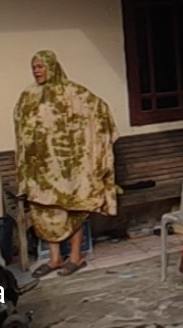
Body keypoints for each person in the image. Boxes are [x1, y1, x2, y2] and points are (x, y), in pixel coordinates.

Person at [14, 50, 118, 277]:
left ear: (52, 66)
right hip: (41, 168)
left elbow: (99, 110)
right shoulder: (28, 96)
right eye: (34, 67)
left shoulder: (73, 92)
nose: (36, 71)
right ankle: (54, 259)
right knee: (46, 212)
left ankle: (75, 257)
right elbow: (21, 130)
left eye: (40, 66)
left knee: (72, 209)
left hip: (69, 168)